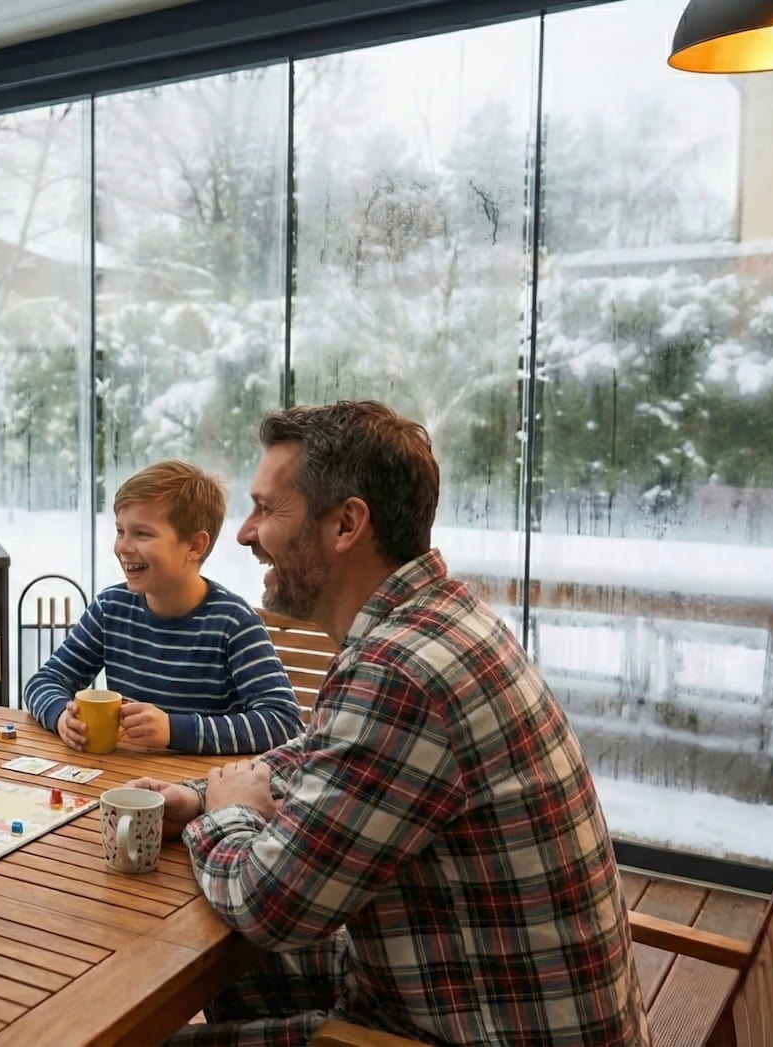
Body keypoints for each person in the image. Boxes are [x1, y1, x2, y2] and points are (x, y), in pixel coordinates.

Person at [129, 402, 648, 1046]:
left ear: (346, 524)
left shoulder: (399, 672)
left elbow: (269, 906)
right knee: (242, 970)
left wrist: (225, 813)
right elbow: (334, 755)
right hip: (468, 991)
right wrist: (203, 794)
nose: (244, 533)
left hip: (466, 1030)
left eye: (266, 509)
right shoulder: (439, 620)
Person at [22, 459, 301, 755]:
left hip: (206, 781)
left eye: (142, 534)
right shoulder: (110, 608)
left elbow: (283, 722)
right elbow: (45, 681)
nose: (123, 547)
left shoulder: (234, 623)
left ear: (194, 546)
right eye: (120, 531)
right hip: (128, 776)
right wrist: (60, 716)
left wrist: (173, 729)